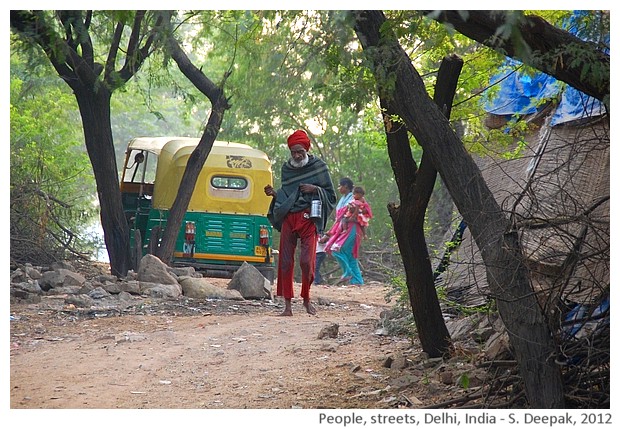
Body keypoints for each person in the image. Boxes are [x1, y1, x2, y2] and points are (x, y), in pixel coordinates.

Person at [264, 130, 336, 316]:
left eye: (300, 152)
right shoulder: (286, 168)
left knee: (306, 262)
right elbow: (288, 194)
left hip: (308, 218)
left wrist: (315, 188)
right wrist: (275, 194)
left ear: (306, 150)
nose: (296, 155)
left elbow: (330, 195)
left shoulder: (319, 167)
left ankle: (306, 299)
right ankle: (287, 306)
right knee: (286, 261)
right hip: (289, 217)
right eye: (293, 152)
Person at [323, 182, 371, 286]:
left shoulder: (355, 201)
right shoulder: (345, 199)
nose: (339, 188)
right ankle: (357, 281)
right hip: (348, 228)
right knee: (351, 255)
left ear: (346, 187)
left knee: (336, 249)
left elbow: (359, 213)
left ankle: (348, 272)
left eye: (340, 185)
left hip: (352, 228)